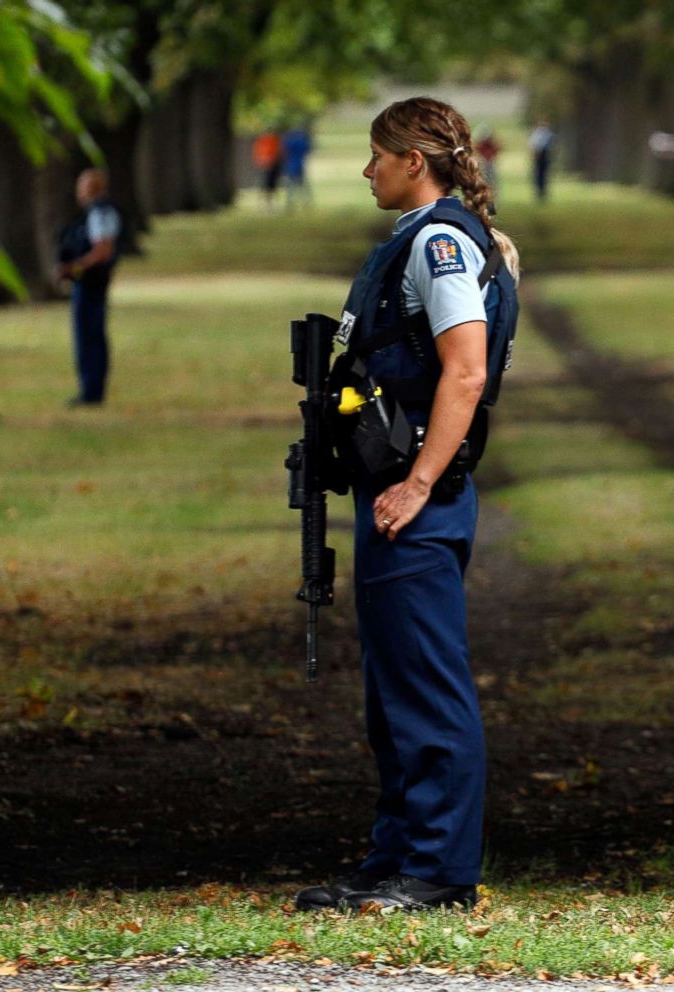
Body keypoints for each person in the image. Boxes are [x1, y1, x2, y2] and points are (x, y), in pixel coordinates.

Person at [294, 96, 519, 913]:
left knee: (426, 687)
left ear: (412, 162)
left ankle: (438, 870)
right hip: (398, 488)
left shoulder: (438, 243)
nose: (367, 170)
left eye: (376, 156)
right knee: (393, 690)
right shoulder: (431, 237)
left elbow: (464, 371)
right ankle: (394, 856)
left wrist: (418, 482)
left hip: (417, 493)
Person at [56, 168, 122, 407]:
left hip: (91, 283)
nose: (79, 191)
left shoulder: (100, 213)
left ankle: (91, 392)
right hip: (90, 282)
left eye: (83, 186)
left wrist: (75, 267)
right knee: (90, 335)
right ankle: (90, 388)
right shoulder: (95, 213)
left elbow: (103, 250)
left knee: (89, 336)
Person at [281, 126, 313, 209]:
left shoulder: (289, 141)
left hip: (291, 166)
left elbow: (284, 150)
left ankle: (290, 203)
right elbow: (307, 150)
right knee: (302, 186)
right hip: (299, 166)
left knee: (291, 186)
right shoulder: (302, 141)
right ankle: (306, 202)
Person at [252, 130, 283, 208]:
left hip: (273, 165)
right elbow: (259, 154)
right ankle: (264, 203)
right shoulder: (263, 141)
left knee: (271, 185)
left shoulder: (274, 141)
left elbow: (278, 152)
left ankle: (270, 202)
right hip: (266, 165)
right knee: (265, 184)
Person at [527, 120, 555, 201]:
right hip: (541, 155)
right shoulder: (542, 133)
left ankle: (541, 191)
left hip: (543, 155)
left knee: (541, 174)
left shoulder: (540, 133)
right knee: (541, 174)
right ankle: (540, 191)